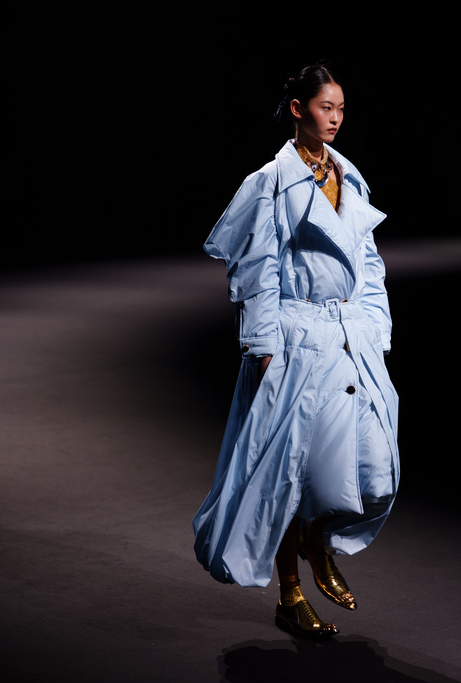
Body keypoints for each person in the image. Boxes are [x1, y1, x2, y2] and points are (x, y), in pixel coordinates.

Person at [192, 63, 400, 640]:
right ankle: (289, 595)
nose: (334, 118)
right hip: (296, 339)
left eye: (340, 109)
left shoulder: (348, 177)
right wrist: (263, 345)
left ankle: (317, 539)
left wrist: (376, 329)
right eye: (324, 107)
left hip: (350, 338)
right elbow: (257, 269)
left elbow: (369, 263)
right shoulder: (271, 181)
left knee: (372, 467)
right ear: (297, 109)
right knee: (286, 474)